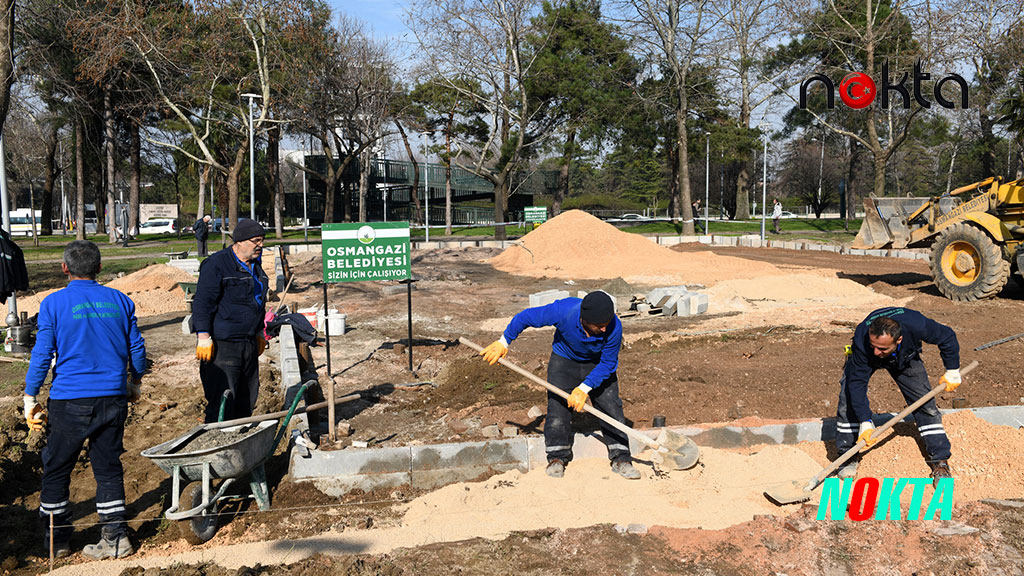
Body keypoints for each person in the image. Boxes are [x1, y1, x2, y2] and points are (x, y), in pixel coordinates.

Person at [23, 240, 146, 559]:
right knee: (107, 467)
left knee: (57, 467)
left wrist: (29, 395)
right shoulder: (120, 299)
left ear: (64, 268)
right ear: (100, 268)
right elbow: (137, 349)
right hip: (112, 398)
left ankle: (56, 542)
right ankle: (116, 538)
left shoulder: (53, 304)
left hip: (70, 401)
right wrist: (135, 382)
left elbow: (41, 355)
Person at [480, 291, 641, 480]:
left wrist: (584, 388)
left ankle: (621, 457)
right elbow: (525, 317)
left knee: (611, 407)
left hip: (598, 364)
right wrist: (504, 341)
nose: (605, 329)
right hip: (564, 360)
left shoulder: (614, 327)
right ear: (585, 321)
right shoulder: (564, 311)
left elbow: (608, 364)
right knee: (557, 409)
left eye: (606, 324)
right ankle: (557, 457)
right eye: (599, 326)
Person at [835, 307, 962, 483]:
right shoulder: (863, 340)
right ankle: (847, 457)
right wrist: (865, 420)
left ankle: (939, 460)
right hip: (864, 359)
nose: (876, 352)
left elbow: (947, 336)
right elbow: (857, 384)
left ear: (898, 339)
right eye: (874, 346)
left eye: (882, 348)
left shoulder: (917, 324)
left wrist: (953, 369)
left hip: (905, 357)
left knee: (925, 404)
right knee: (848, 399)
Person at [193, 218, 269, 423]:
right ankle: (218, 444)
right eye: (256, 241)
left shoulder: (255, 265)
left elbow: (258, 301)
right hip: (223, 347)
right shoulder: (217, 265)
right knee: (223, 400)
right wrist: (203, 336)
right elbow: (202, 302)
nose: (260, 245)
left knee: (247, 398)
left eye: (262, 240)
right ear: (240, 241)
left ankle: (241, 440)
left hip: (248, 343)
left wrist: (260, 331)